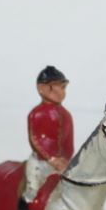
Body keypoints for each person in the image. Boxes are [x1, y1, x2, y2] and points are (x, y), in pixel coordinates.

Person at [24, 65, 74, 202]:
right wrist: (50, 159)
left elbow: (68, 141)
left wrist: (66, 159)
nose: (62, 92)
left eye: (64, 88)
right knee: (33, 188)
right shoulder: (36, 113)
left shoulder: (66, 115)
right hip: (40, 162)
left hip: (62, 164)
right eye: (59, 87)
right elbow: (35, 139)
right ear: (42, 88)